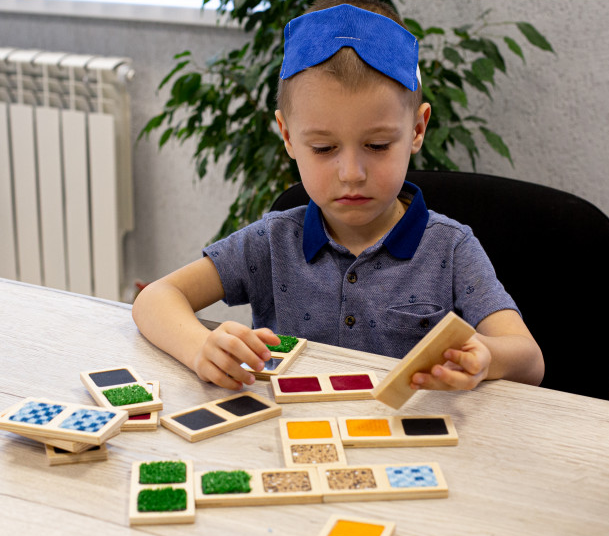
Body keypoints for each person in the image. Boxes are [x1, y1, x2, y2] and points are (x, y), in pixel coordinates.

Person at [133, 0, 544, 393]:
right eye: (324, 148)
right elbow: (154, 299)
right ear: (288, 136)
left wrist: (485, 356)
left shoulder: (450, 248)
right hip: (290, 433)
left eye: (378, 145)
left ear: (417, 130)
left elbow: (529, 360)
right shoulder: (272, 241)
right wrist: (199, 347)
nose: (351, 174)